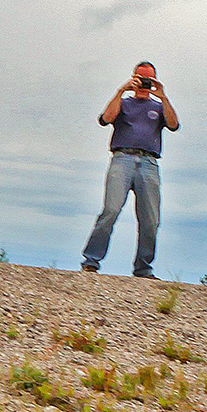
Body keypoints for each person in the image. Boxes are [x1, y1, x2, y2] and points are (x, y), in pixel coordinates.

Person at [81, 60, 178, 276]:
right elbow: (106, 119)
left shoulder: (158, 107)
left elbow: (173, 125)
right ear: (133, 77)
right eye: (140, 77)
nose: (143, 83)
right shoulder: (124, 103)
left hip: (149, 162)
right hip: (122, 158)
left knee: (151, 219)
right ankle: (91, 260)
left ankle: (143, 268)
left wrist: (163, 97)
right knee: (111, 210)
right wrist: (121, 91)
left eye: (148, 79)